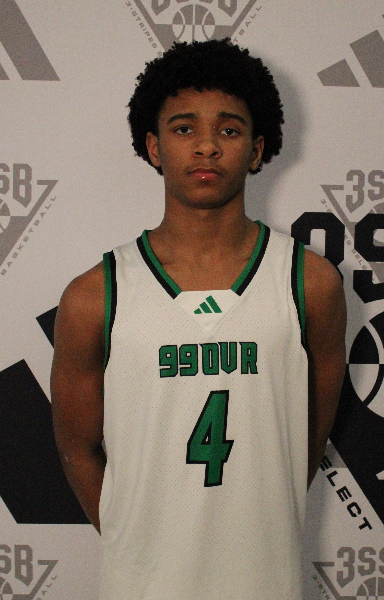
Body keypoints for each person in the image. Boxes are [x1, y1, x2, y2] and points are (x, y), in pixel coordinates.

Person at [51, 39, 346, 600]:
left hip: (266, 580)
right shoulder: (95, 296)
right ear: (154, 146)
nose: (207, 145)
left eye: (229, 130)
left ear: (257, 149)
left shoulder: (310, 283)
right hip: (141, 586)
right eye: (184, 128)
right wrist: (135, 542)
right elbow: (77, 449)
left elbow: (306, 436)